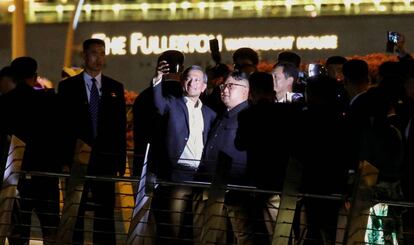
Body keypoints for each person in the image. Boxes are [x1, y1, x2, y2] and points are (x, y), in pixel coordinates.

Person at [57, 38, 126, 244]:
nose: (99, 58)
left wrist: (120, 161)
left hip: (105, 160)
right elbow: (63, 126)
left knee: (105, 212)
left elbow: (119, 127)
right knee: (75, 210)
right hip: (78, 158)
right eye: (95, 53)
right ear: (84, 56)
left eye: (102, 53)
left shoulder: (115, 87)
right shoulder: (68, 87)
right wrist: (64, 159)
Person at [150, 63, 216, 244]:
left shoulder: (210, 114)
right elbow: (158, 104)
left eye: (197, 79)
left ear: (203, 87)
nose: (192, 82)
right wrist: (157, 81)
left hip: (200, 177)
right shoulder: (172, 103)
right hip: (177, 175)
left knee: (196, 229)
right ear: (182, 83)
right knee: (174, 227)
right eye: (188, 78)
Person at [1, 57, 61, 244]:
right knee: (51, 229)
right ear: (35, 76)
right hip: (46, 174)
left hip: (16, 176)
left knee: (19, 231)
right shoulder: (48, 100)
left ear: (14, 77)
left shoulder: (4, 103)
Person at [196, 71, 255, 245]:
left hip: (235, 189)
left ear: (245, 90)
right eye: (223, 85)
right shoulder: (224, 114)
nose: (224, 90)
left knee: (243, 234)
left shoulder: (247, 116)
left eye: (231, 86)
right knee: (218, 236)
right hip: (217, 188)